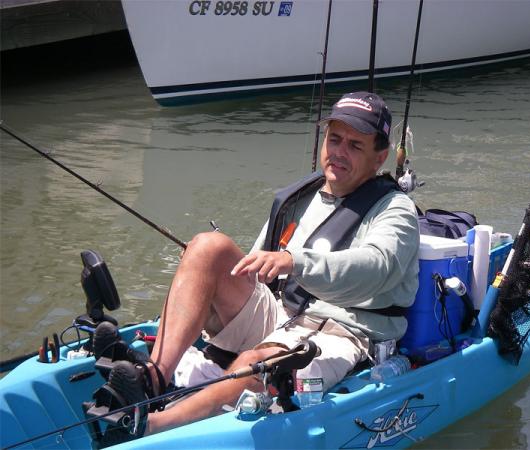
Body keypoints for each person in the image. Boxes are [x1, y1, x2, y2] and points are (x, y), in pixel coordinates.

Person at [95, 91, 420, 442]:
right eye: (334, 139)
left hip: (344, 331)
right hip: (281, 312)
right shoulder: (300, 197)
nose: (339, 152)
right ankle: (152, 377)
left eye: (355, 146)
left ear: (380, 157)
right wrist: (203, 285)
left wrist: (294, 261)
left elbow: (377, 267)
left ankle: (149, 426)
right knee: (208, 247)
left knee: (261, 363)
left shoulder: (395, 210)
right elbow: (253, 267)